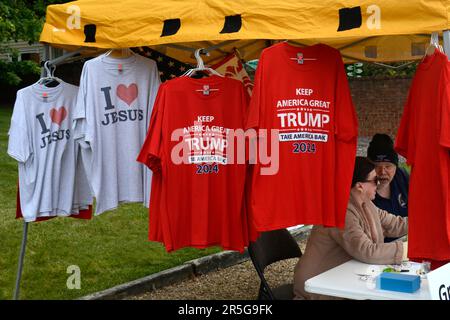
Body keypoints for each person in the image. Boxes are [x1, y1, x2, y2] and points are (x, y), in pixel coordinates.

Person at [293, 156, 408, 300]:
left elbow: (395, 224)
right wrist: (406, 249)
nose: (377, 185)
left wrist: (427, 226)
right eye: (374, 180)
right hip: (316, 286)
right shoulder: (339, 211)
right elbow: (367, 251)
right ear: (360, 186)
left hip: (340, 278)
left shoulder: (364, 202)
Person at [367, 133, 409, 242]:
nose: (382, 172)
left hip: (406, 243)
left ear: (396, 166)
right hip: (378, 249)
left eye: (388, 166)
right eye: (377, 166)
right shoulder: (362, 189)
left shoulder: (402, 178)